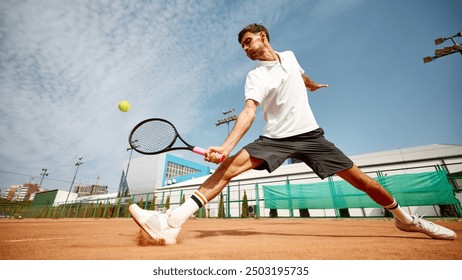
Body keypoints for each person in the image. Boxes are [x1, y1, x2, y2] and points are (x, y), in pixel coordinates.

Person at [129, 23, 456, 245]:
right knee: (227, 168)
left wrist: (312, 85)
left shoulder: (289, 55)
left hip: (312, 136)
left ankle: (405, 219)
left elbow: (300, 75)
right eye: (242, 47)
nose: (246, 49)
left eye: (248, 41)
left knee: (363, 181)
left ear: (263, 35)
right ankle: (172, 224)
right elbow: (249, 112)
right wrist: (227, 145)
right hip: (275, 138)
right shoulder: (255, 77)